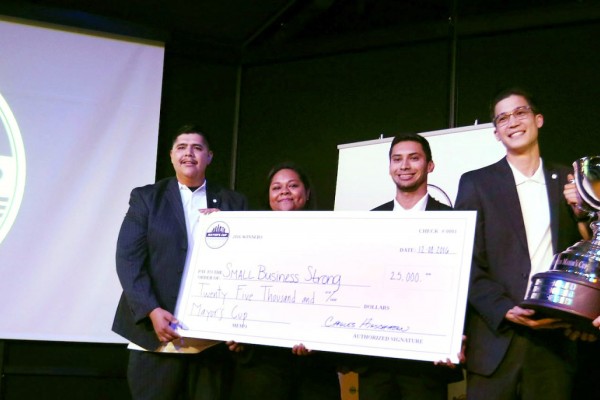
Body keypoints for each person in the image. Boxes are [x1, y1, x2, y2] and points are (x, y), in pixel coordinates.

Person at [455, 88, 585, 400]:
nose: (512, 122)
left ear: (538, 120)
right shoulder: (476, 183)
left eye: (520, 113)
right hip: (495, 340)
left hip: (555, 342)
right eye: (502, 118)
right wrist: (504, 310)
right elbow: (463, 261)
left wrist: (582, 211)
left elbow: (589, 251)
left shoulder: (571, 179)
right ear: (496, 133)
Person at [112, 124, 248, 400]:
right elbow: (128, 258)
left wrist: (231, 226)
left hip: (212, 343)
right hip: (155, 338)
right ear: (171, 156)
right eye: (182, 147)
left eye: (197, 148)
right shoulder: (147, 198)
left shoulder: (233, 203)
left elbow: (249, 263)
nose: (189, 153)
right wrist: (150, 309)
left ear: (209, 156)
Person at [352, 133, 464, 400]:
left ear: (430, 166)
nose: (404, 166)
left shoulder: (452, 221)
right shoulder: (369, 221)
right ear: (390, 166)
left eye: (414, 158)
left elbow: (461, 285)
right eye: (397, 159)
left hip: (427, 362)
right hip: (375, 359)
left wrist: (451, 339)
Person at [229, 162, 341, 400]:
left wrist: (320, 338)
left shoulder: (332, 236)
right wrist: (231, 329)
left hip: (314, 366)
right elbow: (235, 287)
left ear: (307, 192)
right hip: (260, 363)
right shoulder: (248, 238)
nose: (284, 191)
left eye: (293, 185)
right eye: (276, 187)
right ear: (268, 195)